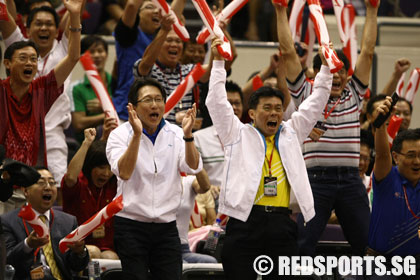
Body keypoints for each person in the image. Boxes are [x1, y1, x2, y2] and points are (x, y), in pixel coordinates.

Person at [206, 38, 332, 279]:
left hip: (281, 224)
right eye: (267, 108)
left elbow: (316, 103)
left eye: (277, 108)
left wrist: (326, 69)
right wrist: (219, 61)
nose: (274, 112)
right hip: (244, 222)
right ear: (252, 113)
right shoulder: (236, 133)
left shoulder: (292, 132)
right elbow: (215, 101)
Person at [275, 0, 379, 256]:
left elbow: (367, 52)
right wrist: (279, 10)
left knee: (368, 246)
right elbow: (288, 52)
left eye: (342, 70)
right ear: (321, 72)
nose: (337, 75)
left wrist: (373, 9)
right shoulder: (307, 93)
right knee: (301, 247)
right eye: (332, 69)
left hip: (351, 181)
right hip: (315, 181)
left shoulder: (354, 94)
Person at [106, 77, 202, 279]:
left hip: (166, 227)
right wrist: (136, 136)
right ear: (133, 107)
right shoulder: (119, 135)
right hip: (130, 225)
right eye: (148, 100)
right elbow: (124, 172)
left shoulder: (176, 133)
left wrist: (188, 135)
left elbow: (193, 166)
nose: (155, 105)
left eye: (159, 99)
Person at [0, 0, 82, 214]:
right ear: (7, 63)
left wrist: (74, 15)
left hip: (32, 174)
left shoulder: (41, 91)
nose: (29, 63)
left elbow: (74, 57)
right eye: (23, 58)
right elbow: (5, 20)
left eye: (33, 60)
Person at [0, 167, 89, 280]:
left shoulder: (68, 221)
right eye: (41, 182)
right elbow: (6, 263)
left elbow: (77, 267)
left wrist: (80, 252)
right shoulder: (8, 221)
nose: (48, 187)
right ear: (26, 190)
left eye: (52, 183)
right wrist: (28, 245)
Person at [367, 97, 420, 277]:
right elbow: (382, 154)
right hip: (381, 266)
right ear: (396, 157)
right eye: (411, 155)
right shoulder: (388, 178)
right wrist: (381, 124)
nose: (417, 161)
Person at [112, 0, 184, 121]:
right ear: (138, 14)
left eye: (159, 8)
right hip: (127, 112)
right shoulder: (129, 36)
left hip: (158, 113)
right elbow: (131, 5)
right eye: (150, 7)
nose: (157, 11)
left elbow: (172, 15)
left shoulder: (163, 36)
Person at [62, 128, 118, 260]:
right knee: (93, 252)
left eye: (109, 168)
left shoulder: (113, 184)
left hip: (106, 247)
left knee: (111, 257)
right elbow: (70, 177)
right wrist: (86, 143)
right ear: (90, 166)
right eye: (101, 168)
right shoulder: (79, 183)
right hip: (76, 247)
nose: (106, 173)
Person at [194, 80, 244, 205]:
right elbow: (191, 176)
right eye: (228, 103)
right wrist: (208, 188)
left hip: (243, 206)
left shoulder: (251, 137)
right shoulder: (199, 138)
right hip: (210, 205)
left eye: (237, 103)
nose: (233, 108)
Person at [71, 35, 117, 143]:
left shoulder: (117, 82)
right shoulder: (77, 88)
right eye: (91, 52)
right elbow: (78, 123)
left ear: (106, 54)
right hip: (90, 143)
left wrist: (103, 107)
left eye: (100, 51)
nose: (96, 55)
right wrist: (108, 113)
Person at [176, 170, 217, 263]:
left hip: (198, 239)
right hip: (174, 241)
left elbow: (213, 221)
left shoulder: (192, 182)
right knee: (182, 265)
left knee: (211, 261)